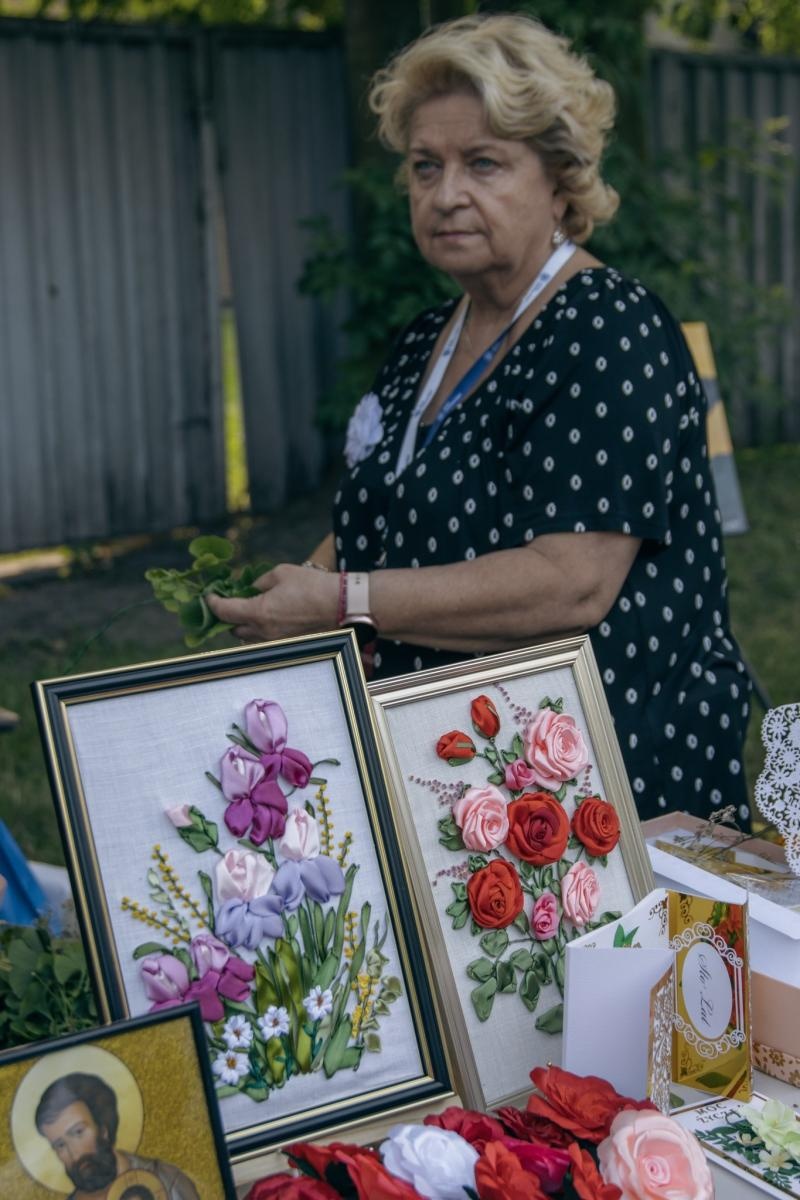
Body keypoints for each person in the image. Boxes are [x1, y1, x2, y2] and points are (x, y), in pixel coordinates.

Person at [209, 13, 751, 823]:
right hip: (448, 772)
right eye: (425, 166)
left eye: (483, 162)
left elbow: (570, 585)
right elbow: (378, 517)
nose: (445, 194)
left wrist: (340, 603)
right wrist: (282, 602)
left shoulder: (609, 328)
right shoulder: (426, 340)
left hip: (602, 789)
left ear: (560, 179)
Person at [34, 1073, 199, 1200]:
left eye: (78, 1132)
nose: (75, 1155)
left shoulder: (167, 1180)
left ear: (103, 1128)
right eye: (60, 1145)